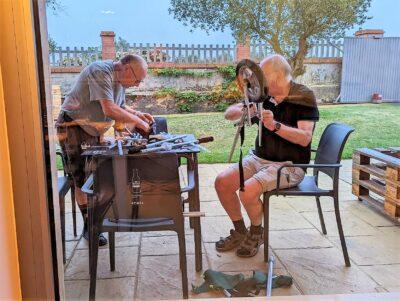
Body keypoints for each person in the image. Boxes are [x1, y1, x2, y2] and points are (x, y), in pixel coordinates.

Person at [214, 54, 319, 257]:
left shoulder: (304, 96)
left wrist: (275, 126)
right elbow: (229, 115)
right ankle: (240, 232)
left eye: (263, 77)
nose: (258, 82)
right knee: (223, 182)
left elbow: (305, 138)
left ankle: (256, 232)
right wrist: (246, 108)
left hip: (290, 166)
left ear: (278, 77)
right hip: (259, 158)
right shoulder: (263, 96)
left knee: (247, 191)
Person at [56, 54, 154, 245]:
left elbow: (120, 106)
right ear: (126, 68)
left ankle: (99, 217)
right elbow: (109, 109)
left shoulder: (120, 81)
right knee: (82, 179)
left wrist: (138, 113)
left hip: (92, 128)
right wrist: (139, 122)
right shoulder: (100, 71)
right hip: (73, 126)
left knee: (99, 175)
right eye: (137, 79)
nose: (137, 84)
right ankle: (90, 226)